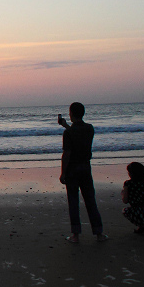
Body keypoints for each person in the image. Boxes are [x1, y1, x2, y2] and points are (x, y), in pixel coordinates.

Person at [58, 102, 108, 243]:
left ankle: (75, 235)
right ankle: (98, 233)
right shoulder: (89, 129)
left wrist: (63, 172)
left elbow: (66, 154)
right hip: (86, 167)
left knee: (73, 201)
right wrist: (66, 125)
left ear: (71, 113)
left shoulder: (68, 133)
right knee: (90, 200)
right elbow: (78, 135)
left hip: (73, 168)